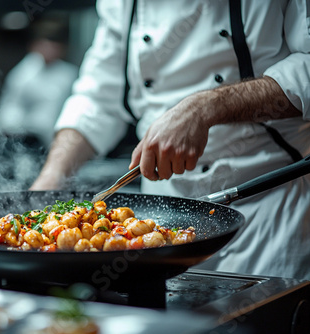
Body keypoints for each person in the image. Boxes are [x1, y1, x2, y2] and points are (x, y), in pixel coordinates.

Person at [30, 0, 310, 280]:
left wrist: (204, 108)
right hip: (163, 217)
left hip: (267, 208)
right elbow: (97, 99)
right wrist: (52, 177)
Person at [0, 15, 79, 148]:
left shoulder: (70, 74)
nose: (50, 49)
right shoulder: (23, 73)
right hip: (27, 141)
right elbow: (10, 108)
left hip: (62, 140)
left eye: (54, 45)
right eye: (46, 44)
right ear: (35, 45)